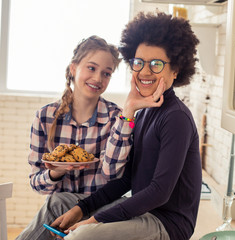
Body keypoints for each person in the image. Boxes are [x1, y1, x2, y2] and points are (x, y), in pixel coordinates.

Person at [44, 11, 202, 240]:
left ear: (175, 70)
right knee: (60, 203)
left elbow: (160, 192)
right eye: (138, 63)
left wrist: (92, 221)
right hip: (143, 212)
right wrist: (82, 209)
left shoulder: (176, 117)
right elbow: (126, 179)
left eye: (156, 64)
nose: (145, 71)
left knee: (81, 236)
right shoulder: (145, 111)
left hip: (167, 224)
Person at [16, 35, 165, 239]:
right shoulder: (45, 117)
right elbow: (37, 184)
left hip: (101, 207)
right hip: (63, 209)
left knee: (56, 204)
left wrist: (127, 115)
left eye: (106, 73)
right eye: (91, 68)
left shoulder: (118, 117)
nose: (97, 79)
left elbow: (112, 173)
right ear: (74, 68)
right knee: (55, 203)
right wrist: (56, 173)